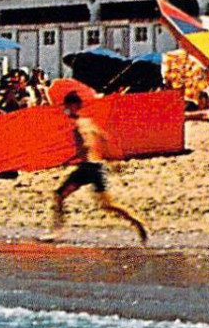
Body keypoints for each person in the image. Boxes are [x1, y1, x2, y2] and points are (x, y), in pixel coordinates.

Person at [50, 91, 149, 244]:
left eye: (67, 106)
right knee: (107, 205)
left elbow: (85, 144)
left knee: (59, 195)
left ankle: (57, 231)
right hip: (97, 166)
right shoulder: (89, 122)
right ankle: (137, 222)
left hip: (87, 168)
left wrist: (72, 158)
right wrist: (112, 159)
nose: (66, 109)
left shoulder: (77, 125)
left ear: (74, 105)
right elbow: (104, 138)